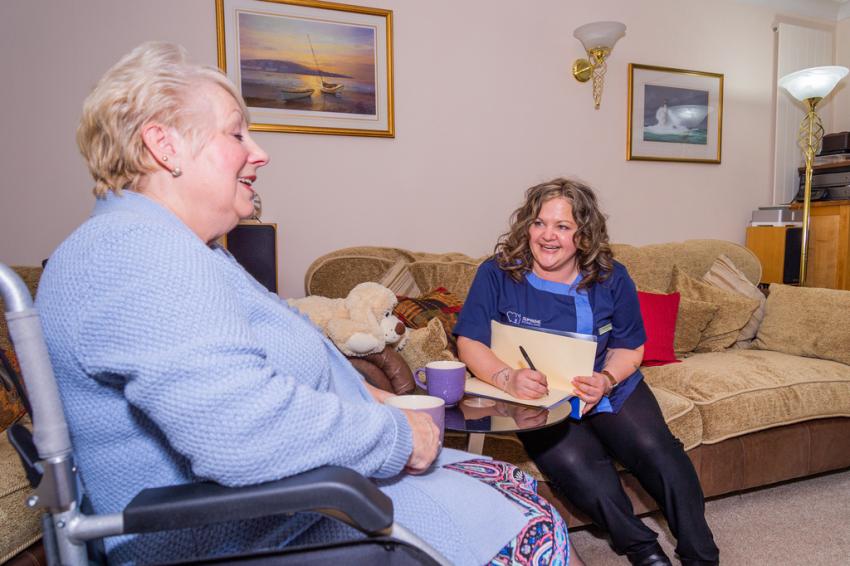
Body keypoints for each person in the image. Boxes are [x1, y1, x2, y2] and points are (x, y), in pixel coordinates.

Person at [34, 42, 576, 565]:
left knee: (514, 482)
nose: (260, 152)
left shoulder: (185, 249)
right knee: (533, 524)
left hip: (293, 498)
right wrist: (396, 436)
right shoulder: (138, 254)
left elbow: (272, 361)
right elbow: (240, 431)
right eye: (236, 133)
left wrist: (375, 398)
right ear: (164, 146)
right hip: (254, 529)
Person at [454, 179, 720, 566]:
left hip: (607, 383)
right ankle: (643, 550)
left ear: (584, 234)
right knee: (578, 468)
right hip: (538, 397)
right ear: (526, 225)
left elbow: (629, 346)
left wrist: (607, 380)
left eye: (562, 226)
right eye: (539, 223)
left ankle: (701, 555)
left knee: (657, 451)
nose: (547, 236)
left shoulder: (612, 276)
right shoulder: (497, 273)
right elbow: (470, 342)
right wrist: (506, 378)